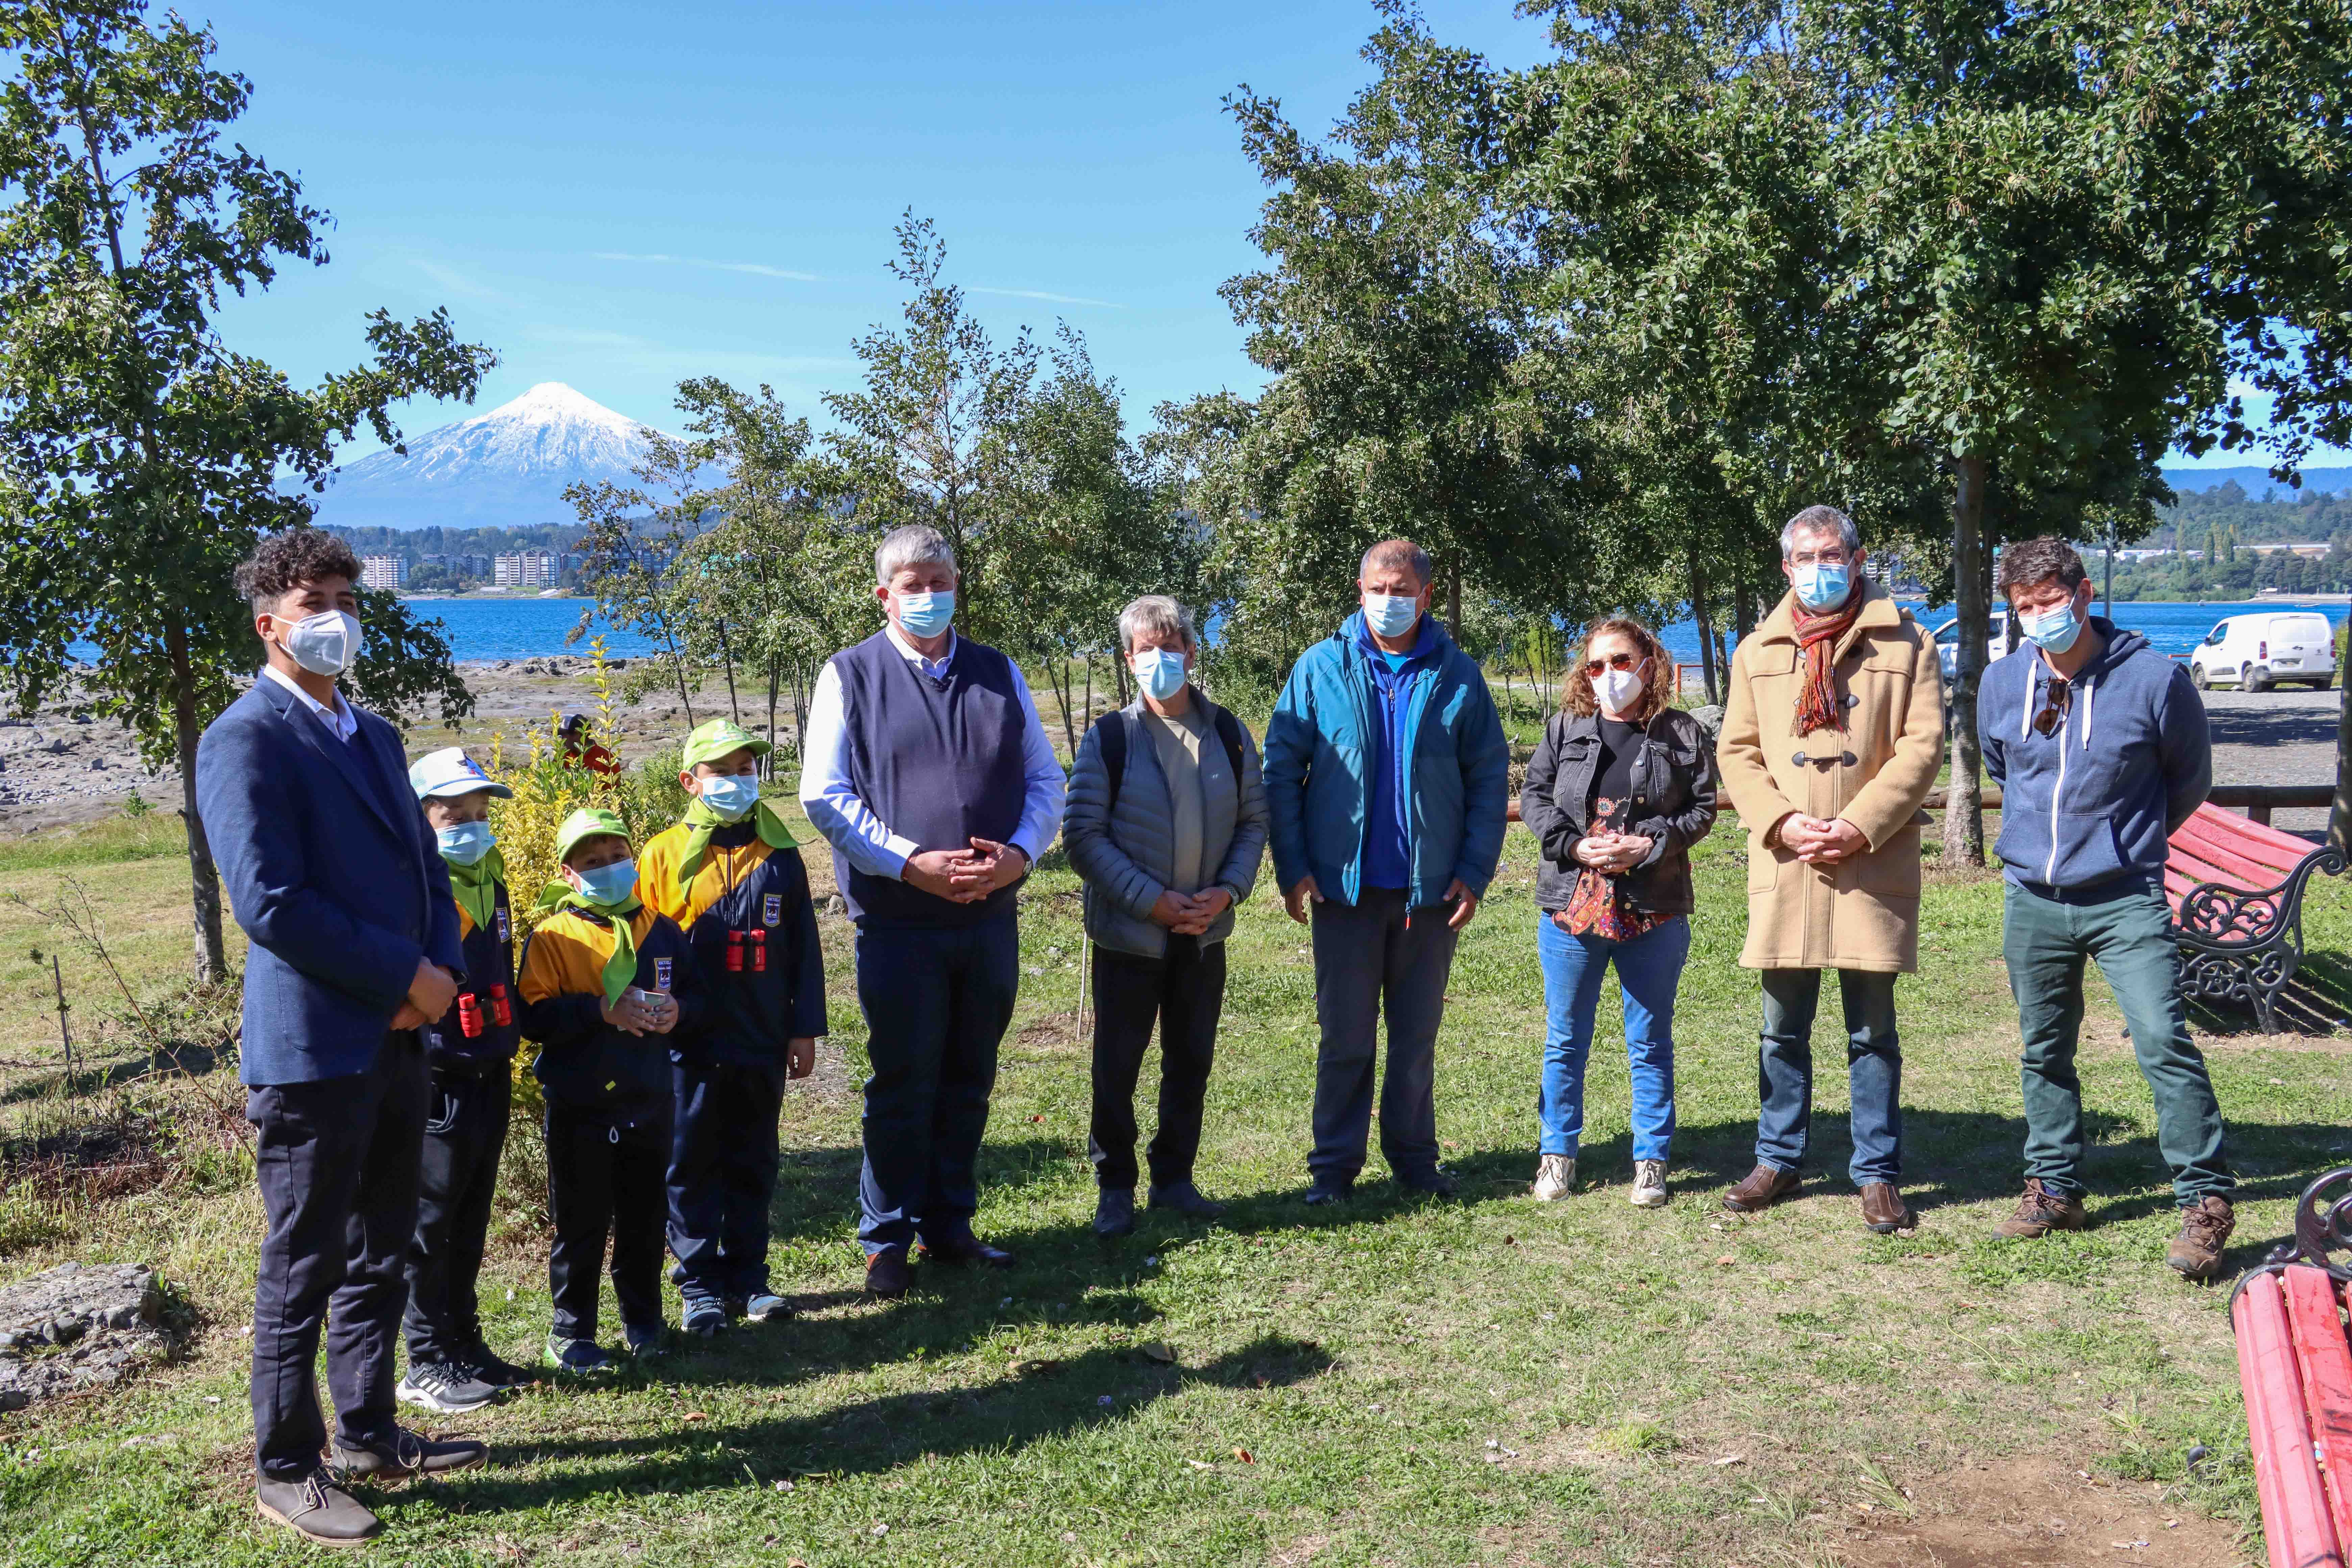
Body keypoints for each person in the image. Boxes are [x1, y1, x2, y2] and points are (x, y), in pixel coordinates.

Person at [195, 528, 485, 1547]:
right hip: (316, 1045)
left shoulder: (375, 733)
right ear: (268, 623)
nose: (337, 619)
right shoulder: (245, 737)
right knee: (305, 1260)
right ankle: (286, 1464)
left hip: (401, 1036)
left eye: (348, 600)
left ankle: (367, 1430)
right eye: (314, 603)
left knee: (381, 1248)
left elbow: (426, 868)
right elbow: (270, 901)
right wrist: (403, 975)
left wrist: (441, 972)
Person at [798, 524, 1066, 1297]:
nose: (926, 595)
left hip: (988, 917)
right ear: (884, 595)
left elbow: (1045, 780)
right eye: (911, 585)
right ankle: (886, 1240)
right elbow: (824, 794)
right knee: (903, 1080)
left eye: (938, 581)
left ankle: (949, 1225)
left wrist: (1019, 855)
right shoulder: (849, 674)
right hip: (899, 920)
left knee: (969, 1075)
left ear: (956, 586)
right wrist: (908, 862)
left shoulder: (998, 671)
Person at [1979, 537, 2234, 1278]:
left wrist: (2128, 841)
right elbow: (2004, 769)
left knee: (2161, 1040)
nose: (2039, 617)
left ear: (2085, 594)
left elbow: (2188, 779)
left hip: (2126, 898)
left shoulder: (2156, 680)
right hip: (2033, 896)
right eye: (2025, 607)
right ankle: (2054, 1187)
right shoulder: (2003, 681)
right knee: (2043, 1048)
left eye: (2051, 602)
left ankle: (2206, 1201)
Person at [1715, 505, 1942, 1234]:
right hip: (1789, 859)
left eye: (1831, 554)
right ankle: (1777, 1158)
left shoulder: (1909, 641)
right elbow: (1738, 751)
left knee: (1873, 1031)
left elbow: (1922, 746)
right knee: (1781, 1028)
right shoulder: (1756, 650)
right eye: (1805, 557)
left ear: (1858, 558)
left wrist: (1858, 824)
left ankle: (1876, 1173)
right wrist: (1782, 822)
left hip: (1870, 857)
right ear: (1787, 567)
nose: (1819, 568)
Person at [1263, 538, 1509, 1204]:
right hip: (1342, 890)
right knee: (1345, 1037)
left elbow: (1488, 780)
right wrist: (1293, 866)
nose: (1389, 600)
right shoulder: (1320, 668)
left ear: (1425, 596)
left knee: (1415, 1039)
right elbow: (1280, 773)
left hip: (1429, 894)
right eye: (1378, 588)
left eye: (1402, 590)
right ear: (1360, 590)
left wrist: (1474, 872)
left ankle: (1415, 1162)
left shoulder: (1458, 675)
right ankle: (1333, 1169)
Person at [1064, 595, 1270, 1237]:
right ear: (1129, 661)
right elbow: (1083, 836)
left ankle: (1174, 1179)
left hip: (1203, 934)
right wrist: (1149, 899)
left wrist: (1227, 892)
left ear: (1192, 653)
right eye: (1146, 650)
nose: (1160, 660)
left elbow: (1253, 823)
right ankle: (1115, 1186)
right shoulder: (1111, 738)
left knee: (1191, 1059)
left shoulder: (1229, 733)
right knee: (1117, 1066)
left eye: (1171, 648)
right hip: (1131, 936)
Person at [1519, 617, 1718, 1208]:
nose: (1610, 674)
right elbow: (1535, 798)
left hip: (1653, 909)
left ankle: (1651, 1161)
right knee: (1565, 1039)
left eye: (1622, 661)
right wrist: (1572, 845)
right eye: (1597, 665)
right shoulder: (1564, 729)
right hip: (1571, 908)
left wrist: (1650, 842)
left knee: (1650, 1040)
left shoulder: (1682, 732)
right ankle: (1557, 1156)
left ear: (1649, 664)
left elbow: (1702, 809)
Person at [639, 719, 826, 1334]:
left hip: (762, 1032)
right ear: (690, 781)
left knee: (754, 1157)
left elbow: (804, 947)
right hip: (687, 1039)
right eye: (720, 771)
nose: (736, 781)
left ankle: (750, 1278)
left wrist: (804, 1028)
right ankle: (698, 1285)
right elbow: (641, 946)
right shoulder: (662, 854)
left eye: (745, 769)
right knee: (689, 1160)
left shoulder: (780, 852)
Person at [517, 807, 700, 1371]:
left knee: (645, 1220)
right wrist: (599, 1010)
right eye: (592, 862)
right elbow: (534, 1017)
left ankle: (644, 1321)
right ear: (569, 874)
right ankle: (572, 1333)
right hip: (581, 1105)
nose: (609, 868)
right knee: (581, 1224)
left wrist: (680, 1010)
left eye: (618, 857)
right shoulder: (553, 936)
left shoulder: (662, 929)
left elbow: (697, 993)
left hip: (649, 1099)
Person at [396, 748, 535, 1415]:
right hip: (438, 1075)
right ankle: (425, 1359)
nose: (473, 827)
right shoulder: (414, 892)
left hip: (490, 1065)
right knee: (430, 1223)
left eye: (481, 814)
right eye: (455, 816)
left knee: (472, 1216)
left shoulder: (490, 880)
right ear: (419, 818)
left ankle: (465, 1343)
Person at [558, 712, 622, 785]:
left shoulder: (608, 759)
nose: (562, 739)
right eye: (562, 736)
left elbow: (617, 789)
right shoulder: (562, 758)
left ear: (578, 734)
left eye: (565, 735)